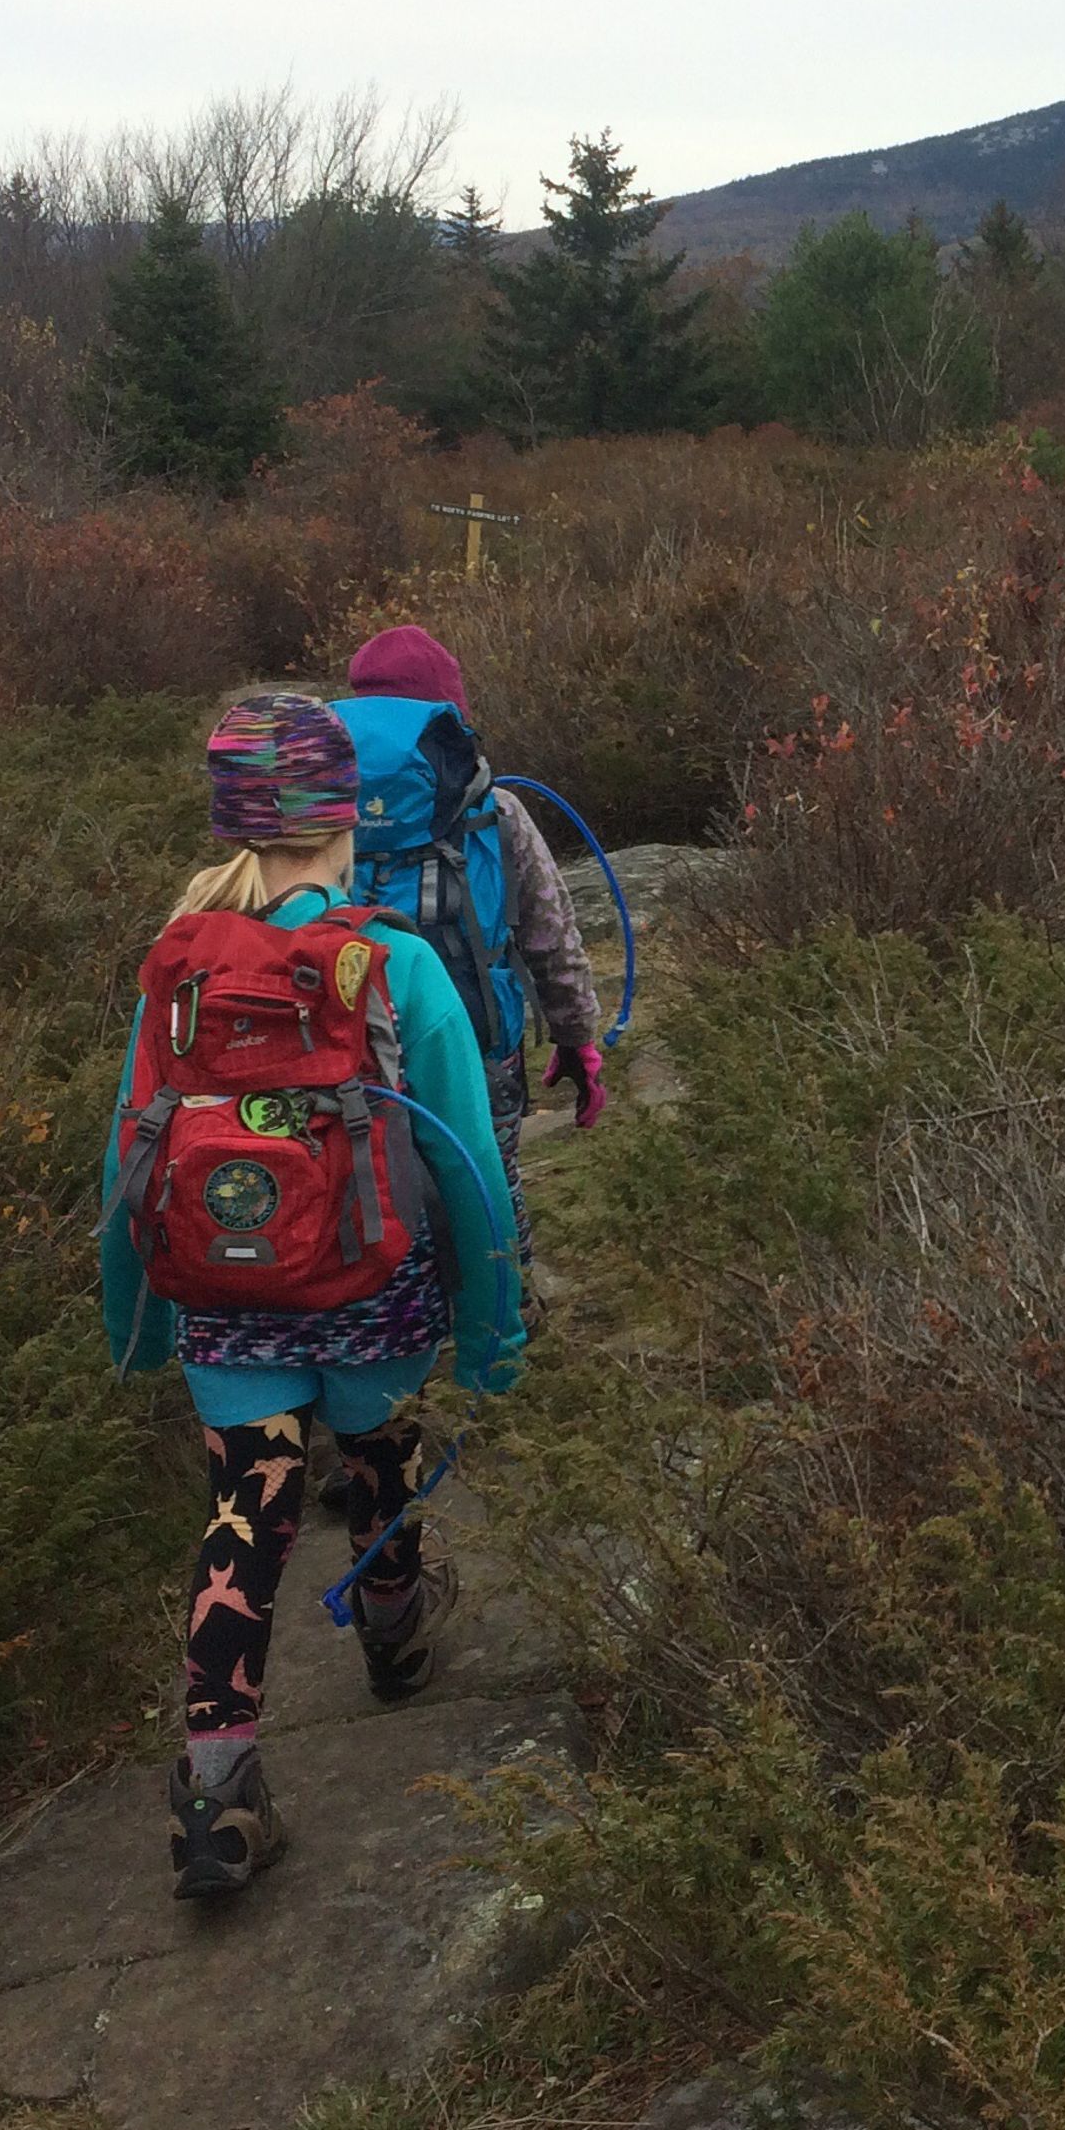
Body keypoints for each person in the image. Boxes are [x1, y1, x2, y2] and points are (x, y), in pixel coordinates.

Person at [98, 691, 526, 1901]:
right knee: (377, 1453)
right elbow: (465, 1165)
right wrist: (493, 1328)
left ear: (230, 819)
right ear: (343, 822)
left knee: (249, 1509)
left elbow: (127, 1154)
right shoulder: (391, 962)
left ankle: (217, 1790)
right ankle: (393, 1629)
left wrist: (127, 1310)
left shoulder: (177, 971)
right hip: (370, 1293)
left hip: (223, 1308)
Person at [325, 624, 604, 1518]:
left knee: (358, 1209)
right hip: (478, 1054)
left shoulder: (314, 810)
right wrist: (579, 1041)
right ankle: (500, 1376)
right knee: (490, 1194)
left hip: (342, 1063)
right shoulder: (493, 807)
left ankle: (364, 1416)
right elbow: (550, 939)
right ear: (450, 706)